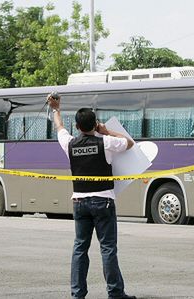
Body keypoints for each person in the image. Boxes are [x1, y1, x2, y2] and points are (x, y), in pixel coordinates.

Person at [47, 93, 136, 299]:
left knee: (80, 248)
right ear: (95, 124)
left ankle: (78, 294)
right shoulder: (105, 142)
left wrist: (56, 109)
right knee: (108, 249)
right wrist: (105, 130)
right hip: (103, 200)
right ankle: (115, 293)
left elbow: (59, 128)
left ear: (77, 127)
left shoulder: (70, 144)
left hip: (79, 201)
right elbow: (129, 143)